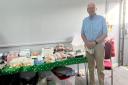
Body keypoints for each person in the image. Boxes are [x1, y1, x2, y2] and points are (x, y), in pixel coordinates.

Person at [81, 2, 108, 85]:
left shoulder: (101, 19)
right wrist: (86, 42)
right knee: (90, 68)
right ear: (87, 10)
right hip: (88, 45)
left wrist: (95, 42)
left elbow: (105, 34)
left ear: (96, 9)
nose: (91, 9)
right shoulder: (85, 20)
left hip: (98, 45)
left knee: (100, 68)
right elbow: (82, 34)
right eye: (89, 8)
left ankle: (101, 83)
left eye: (93, 7)